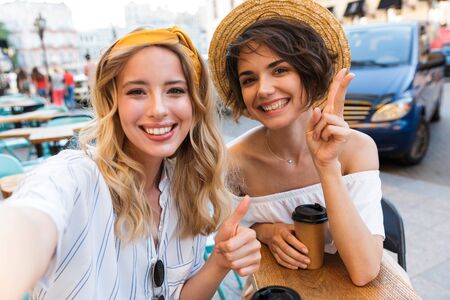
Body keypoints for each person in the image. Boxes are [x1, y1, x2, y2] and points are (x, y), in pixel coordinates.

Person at [0, 27, 261, 299]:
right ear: (113, 101)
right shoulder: (78, 176)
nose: (158, 109)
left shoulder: (185, 187)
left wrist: (219, 261)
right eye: (137, 91)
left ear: (194, 104)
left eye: (175, 90)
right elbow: (27, 223)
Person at [209, 0, 384, 286]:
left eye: (279, 70)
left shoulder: (358, 150)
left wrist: (327, 165)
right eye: (249, 79)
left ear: (310, 72)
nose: (264, 89)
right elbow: (224, 237)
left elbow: (364, 271)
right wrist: (264, 231)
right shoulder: (233, 162)